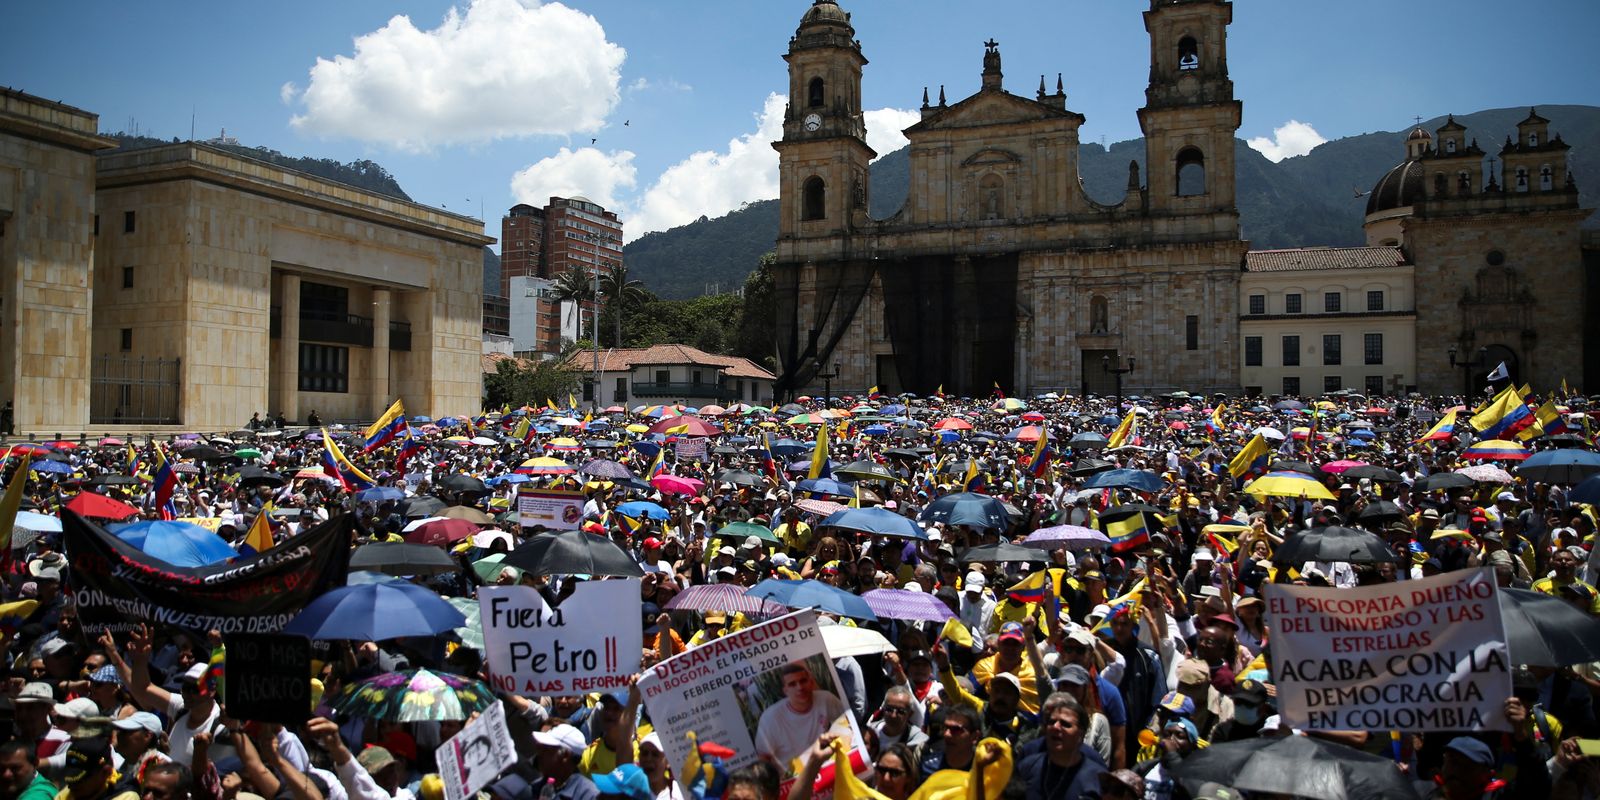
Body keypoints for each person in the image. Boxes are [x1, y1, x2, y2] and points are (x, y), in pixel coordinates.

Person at [753, 663, 848, 773]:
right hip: (793, 777)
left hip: (826, 767)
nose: (800, 687)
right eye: (792, 684)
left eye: (803, 681)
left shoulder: (825, 699)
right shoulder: (770, 718)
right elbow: (763, 757)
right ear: (785, 690)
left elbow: (847, 720)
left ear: (811, 682)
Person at [1015, 694, 1106, 800]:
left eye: (1065, 724)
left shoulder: (1097, 778)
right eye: (1051, 722)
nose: (1056, 727)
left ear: (1081, 734)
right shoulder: (1026, 768)